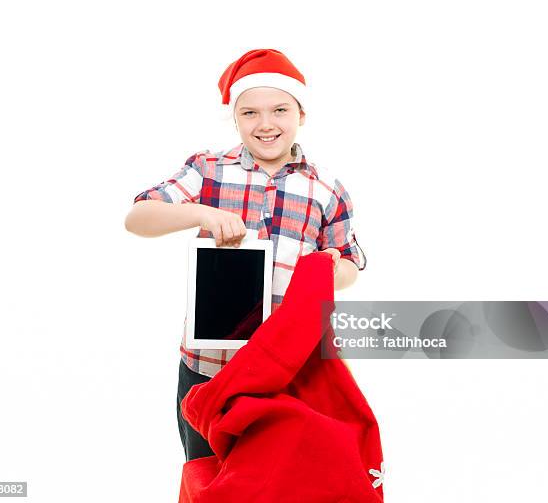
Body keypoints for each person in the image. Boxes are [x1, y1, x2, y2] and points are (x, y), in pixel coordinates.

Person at [124, 48, 366, 462]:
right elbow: (138, 217)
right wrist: (201, 212)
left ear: (301, 114)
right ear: (235, 118)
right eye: (250, 113)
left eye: (279, 110)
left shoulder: (326, 189)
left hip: (292, 370)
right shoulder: (209, 169)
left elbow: (349, 263)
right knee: (207, 477)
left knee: (283, 481)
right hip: (210, 368)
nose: (266, 124)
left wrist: (326, 269)